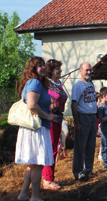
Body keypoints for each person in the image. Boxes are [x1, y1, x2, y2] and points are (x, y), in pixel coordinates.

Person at [15, 57, 59, 201]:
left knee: (32, 164)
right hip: (36, 128)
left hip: (35, 128)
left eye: (43, 65)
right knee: (37, 164)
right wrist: (47, 116)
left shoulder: (38, 83)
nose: (43, 67)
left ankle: (23, 194)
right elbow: (32, 105)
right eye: (39, 66)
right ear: (32, 69)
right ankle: (34, 197)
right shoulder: (34, 82)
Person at [42, 59, 68, 190]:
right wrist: (48, 105)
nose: (60, 71)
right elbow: (42, 99)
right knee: (50, 149)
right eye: (57, 69)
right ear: (51, 71)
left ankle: (49, 177)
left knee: (54, 148)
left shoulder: (58, 84)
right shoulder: (46, 84)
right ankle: (47, 179)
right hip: (50, 119)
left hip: (58, 119)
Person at [71, 62, 98, 181]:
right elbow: (74, 104)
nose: (88, 72)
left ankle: (88, 169)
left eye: (90, 70)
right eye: (86, 70)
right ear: (80, 71)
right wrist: (77, 123)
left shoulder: (91, 84)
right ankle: (78, 172)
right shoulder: (78, 86)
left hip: (92, 117)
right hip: (83, 117)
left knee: (91, 145)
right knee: (80, 146)